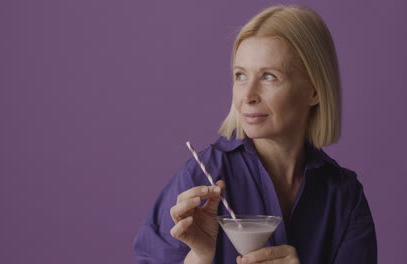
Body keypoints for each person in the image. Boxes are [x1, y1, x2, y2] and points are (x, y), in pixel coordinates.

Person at [133, 5, 377, 264]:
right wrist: (200, 257)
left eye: (269, 76)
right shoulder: (199, 178)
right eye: (240, 75)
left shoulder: (343, 195)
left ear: (314, 91)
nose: (247, 96)